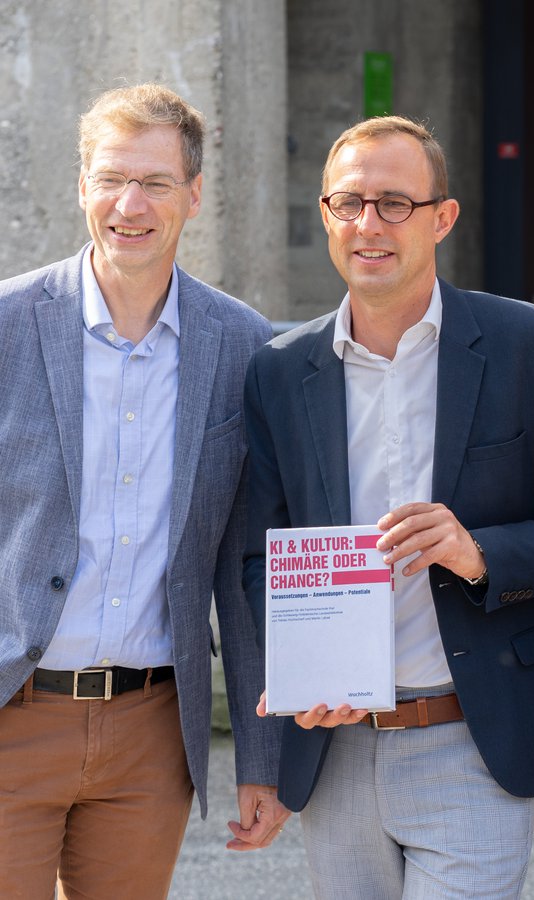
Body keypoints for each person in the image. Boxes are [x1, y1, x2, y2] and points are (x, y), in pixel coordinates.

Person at [242, 114, 534, 898]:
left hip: (472, 736)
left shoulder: (529, 345)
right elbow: (259, 555)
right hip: (336, 748)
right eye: (349, 203)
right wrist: (298, 667)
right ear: (326, 215)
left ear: (442, 218)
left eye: (395, 203)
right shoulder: (280, 371)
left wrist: (479, 553)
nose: (369, 224)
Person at [0, 83, 289, 899]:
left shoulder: (242, 343)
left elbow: (246, 564)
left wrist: (262, 758)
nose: (130, 205)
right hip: (12, 711)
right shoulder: (7, 324)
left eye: (156, 183)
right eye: (111, 179)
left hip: (150, 732)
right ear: (81, 187)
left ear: (193, 196)